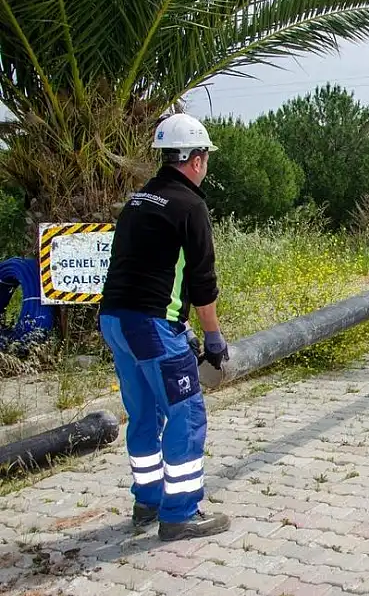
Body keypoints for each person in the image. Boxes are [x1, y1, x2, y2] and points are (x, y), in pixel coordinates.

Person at [98, 113, 230, 541]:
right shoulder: (190, 206)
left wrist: (181, 327)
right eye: (205, 156)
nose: (205, 164)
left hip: (116, 321)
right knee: (185, 415)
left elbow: (149, 271)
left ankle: (147, 502)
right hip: (151, 326)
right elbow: (201, 283)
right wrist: (211, 336)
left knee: (143, 414)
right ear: (194, 160)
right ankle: (180, 513)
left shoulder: (138, 200)